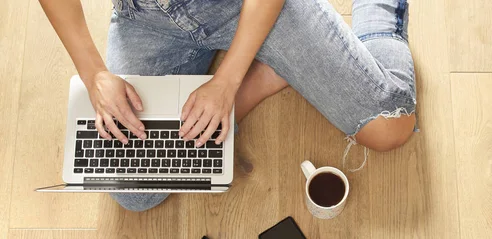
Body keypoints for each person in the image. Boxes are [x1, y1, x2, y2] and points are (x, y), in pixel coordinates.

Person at [39, 0, 417, 211]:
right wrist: (94, 75)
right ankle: (266, 77)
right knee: (135, 191)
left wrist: (228, 78)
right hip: (147, 20)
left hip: (244, 5)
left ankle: (376, 10)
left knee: (389, 129)